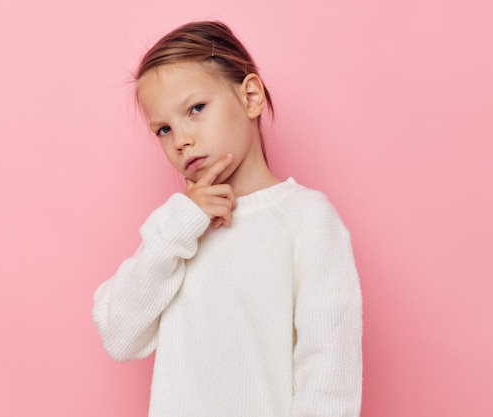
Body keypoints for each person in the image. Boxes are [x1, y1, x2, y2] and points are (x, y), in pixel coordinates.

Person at [92, 20, 363, 417]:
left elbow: (329, 373)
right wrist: (177, 228)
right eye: (163, 129)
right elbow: (119, 336)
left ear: (250, 96)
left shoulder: (306, 220)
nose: (180, 139)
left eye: (196, 109)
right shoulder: (179, 231)